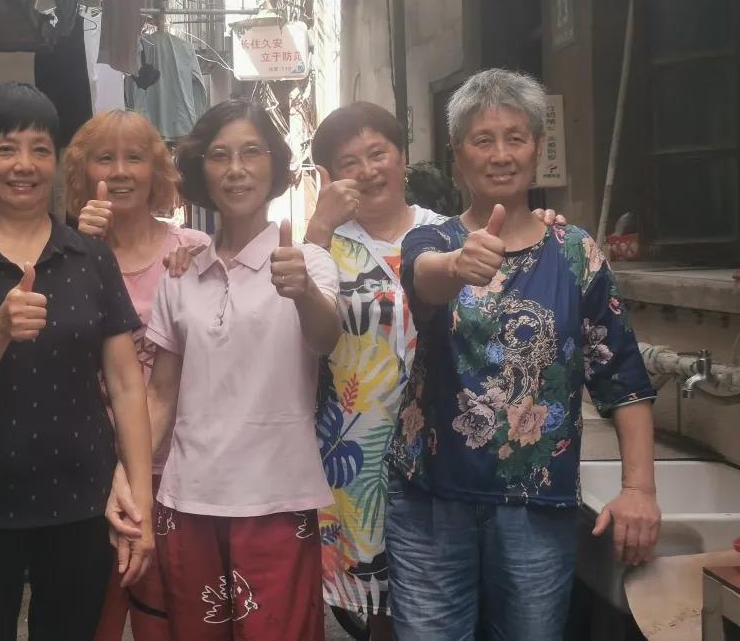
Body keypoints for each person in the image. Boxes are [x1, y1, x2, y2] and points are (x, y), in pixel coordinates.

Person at [386, 69, 660, 640]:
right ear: (457, 152)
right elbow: (422, 279)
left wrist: (639, 490)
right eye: (482, 140)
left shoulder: (576, 253)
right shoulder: (433, 239)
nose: (501, 155)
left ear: (538, 146)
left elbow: (622, 377)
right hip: (433, 502)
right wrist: (459, 266)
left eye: (515, 137)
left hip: (537, 507)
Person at [0, 83, 153, 641]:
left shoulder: (90, 257)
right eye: (5, 149)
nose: (24, 165)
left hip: (81, 503)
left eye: (40, 149)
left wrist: (140, 498)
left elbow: (126, 384)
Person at [144, 100, 342, 640]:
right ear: (201, 171)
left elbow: (325, 338)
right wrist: (130, 479)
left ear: (274, 166)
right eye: (219, 155)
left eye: (252, 152)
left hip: (277, 498)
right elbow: (160, 395)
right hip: (187, 498)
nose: (236, 169)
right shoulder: (181, 273)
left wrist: (303, 293)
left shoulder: (308, 262)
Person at [63, 110, 210, 641]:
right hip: (91, 469)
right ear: (83, 172)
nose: (121, 171)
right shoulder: (63, 252)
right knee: (91, 617)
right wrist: (79, 253)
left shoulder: (192, 249)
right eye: (105, 158)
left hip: (177, 469)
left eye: (136, 158)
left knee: (164, 617)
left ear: (157, 170)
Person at [306, 103, 449, 641]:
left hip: (441, 445)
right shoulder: (323, 245)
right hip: (357, 451)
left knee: (442, 595)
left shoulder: (447, 235)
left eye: (377, 153)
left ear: (402, 157)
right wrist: (319, 226)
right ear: (329, 176)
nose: (367, 171)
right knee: (378, 607)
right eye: (350, 162)